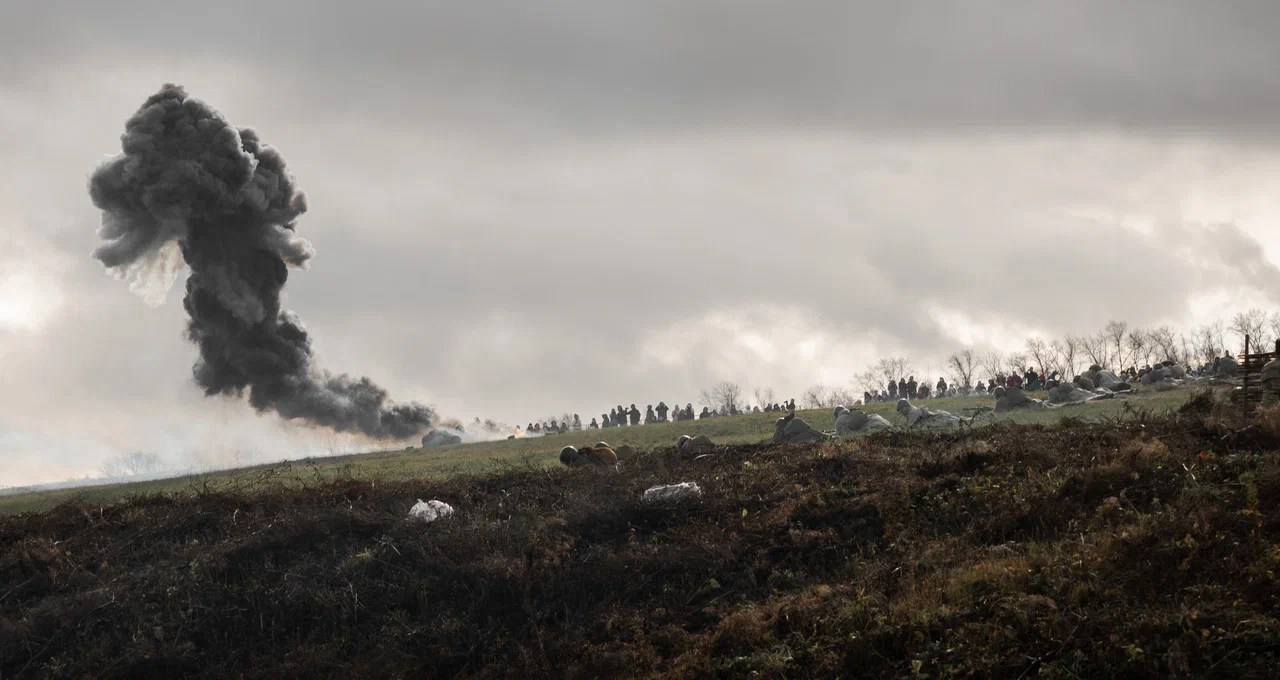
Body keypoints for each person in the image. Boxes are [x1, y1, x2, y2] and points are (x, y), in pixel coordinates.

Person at [895, 398, 962, 428]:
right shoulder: (911, 412)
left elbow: (911, 427)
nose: (901, 412)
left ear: (905, 407)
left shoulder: (912, 413)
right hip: (934, 418)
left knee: (955, 419)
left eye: (900, 410)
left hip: (935, 419)